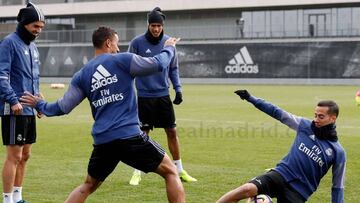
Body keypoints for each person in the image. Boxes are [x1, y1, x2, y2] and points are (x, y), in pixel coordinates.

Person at [20, 27, 185, 203]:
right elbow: (158, 63)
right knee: (170, 171)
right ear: (108, 43)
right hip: (129, 136)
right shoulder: (123, 60)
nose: (118, 48)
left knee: (88, 186)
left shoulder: (82, 75)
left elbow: (63, 107)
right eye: (116, 43)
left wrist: (40, 104)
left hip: (103, 141)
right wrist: (169, 47)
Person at [217, 90, 346, 203]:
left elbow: (338, 186)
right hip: (281, 174)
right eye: (315, 115)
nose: (316, 119)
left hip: (299, 191)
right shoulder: (305, 126)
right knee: (247, 189)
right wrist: (251, 98)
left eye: (321, 116)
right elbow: (277, 112)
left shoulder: (338, 152)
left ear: (333, 118)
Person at [127, 7, 197, 186]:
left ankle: (180, 170)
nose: (156, 29)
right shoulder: (137, 43)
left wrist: (178, 89)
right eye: (153, 25)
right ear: (148, 25)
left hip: (162, 96)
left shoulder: (169, 42)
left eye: (159, 25)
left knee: (172, 132)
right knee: (142, 134)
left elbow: (173, 68)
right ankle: (137, 172)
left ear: (163, 25)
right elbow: (130, 67)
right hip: (144, 97)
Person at [0, 3, 45, 203]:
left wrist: (38, 101)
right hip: (14, 109)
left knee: (26, 155)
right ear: (25, 23)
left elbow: (33, 77)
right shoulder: (9, 43)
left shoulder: (33, 47)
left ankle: (18, 197)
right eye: (36, 26)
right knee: (14, 156)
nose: (39, 31)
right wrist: (13, 100)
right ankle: (7, 199)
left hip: (29, 108)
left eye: (41, 27)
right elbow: (1, 76)